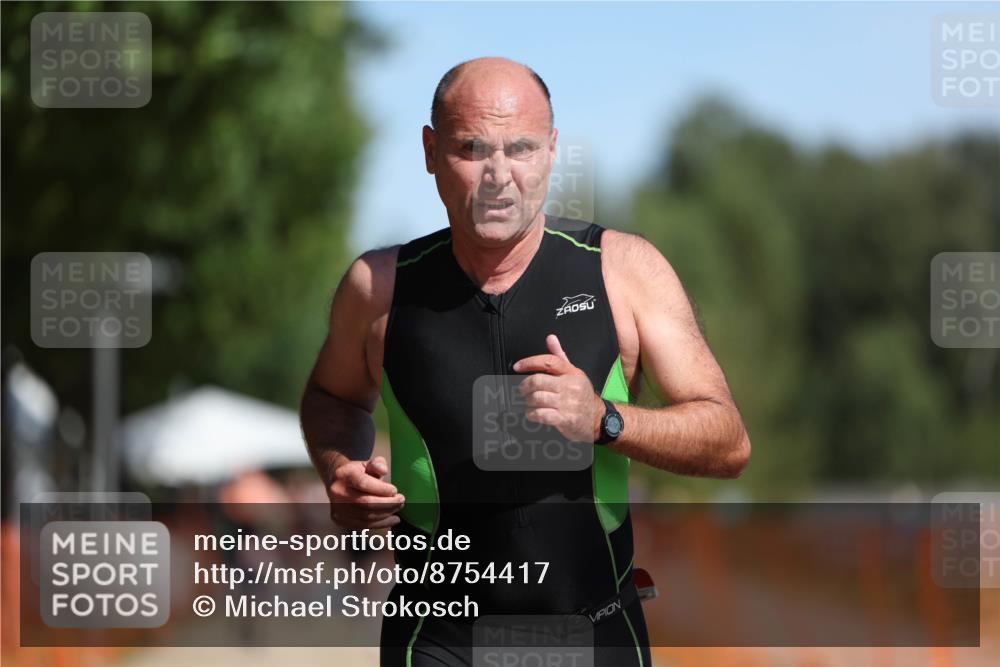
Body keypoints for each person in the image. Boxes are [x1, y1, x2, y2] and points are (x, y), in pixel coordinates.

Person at [300, 57, 751, 667]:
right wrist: (340, 468)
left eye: (521, 148)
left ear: (552, 150)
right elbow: (333, 398)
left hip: (595, 633)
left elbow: (727, 442)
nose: (498, 175)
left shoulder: (624, 271)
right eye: (472, 148)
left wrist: (604, 420)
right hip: (437, 640)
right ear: (431, 151)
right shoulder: (379, 287)